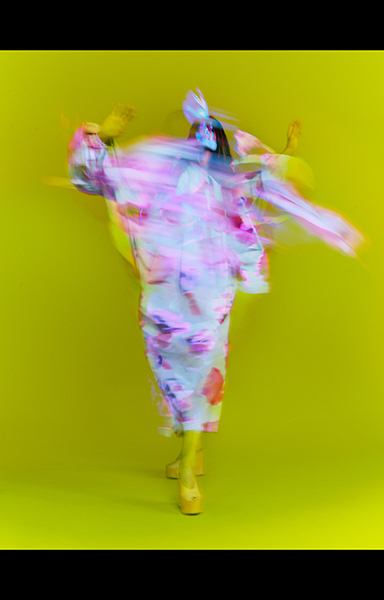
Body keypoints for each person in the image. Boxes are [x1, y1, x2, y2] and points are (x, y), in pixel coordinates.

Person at [67, 91, 364, 515]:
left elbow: (272, 181)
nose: (203, 143)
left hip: (209, 295)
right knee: (171, 374)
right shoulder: (161, 171)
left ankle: (188, 470)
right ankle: (191, 450)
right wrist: (104, 137)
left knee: (201, 370)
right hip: (163, 296)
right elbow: (104, 178)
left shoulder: (233, 181)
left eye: (211, 137)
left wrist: (287, 153)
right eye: (197, 136)